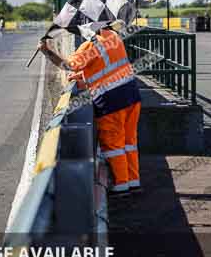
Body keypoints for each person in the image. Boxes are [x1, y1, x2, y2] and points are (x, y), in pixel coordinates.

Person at [38, 23, 142, 197]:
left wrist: (46, 50)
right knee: (129, 142)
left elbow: (68, 65)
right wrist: (84, 75)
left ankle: (121, 184)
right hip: (131, 95)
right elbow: (106, 64)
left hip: (111, 100)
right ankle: (133, 181)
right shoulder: (113, 36)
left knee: (113, 143)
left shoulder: (89, 45)